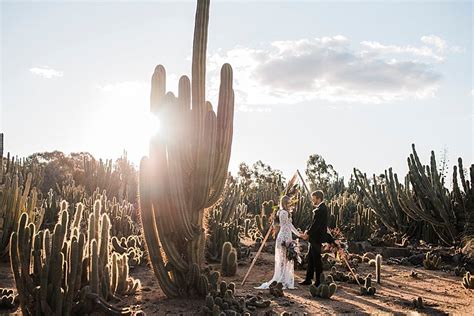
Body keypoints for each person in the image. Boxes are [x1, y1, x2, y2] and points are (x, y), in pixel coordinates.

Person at [255, 195, 303, 290]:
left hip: (286, 236)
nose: (290, 204)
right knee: (284, 259)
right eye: (288, 202)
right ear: (285, 203)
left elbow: (285, 225)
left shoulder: (281, 212)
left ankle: (284, 279)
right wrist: (298, 234)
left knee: (286, 259)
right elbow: (288, 225)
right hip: (284, 237)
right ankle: (282, 280)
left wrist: (297, 234)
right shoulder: (284, 213)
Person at [299, 190, 329, 286]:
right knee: (311, 258)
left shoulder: (321, 209)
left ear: (318, 198)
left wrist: (308, 233)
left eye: (314, 198)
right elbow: (313, 223)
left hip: (317, 238)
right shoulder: (320, 208)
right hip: (314, 238)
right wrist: (307, 231)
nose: (312, 200)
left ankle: (319, 281)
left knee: (316, 259)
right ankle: (308, 279)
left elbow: (316, 225)